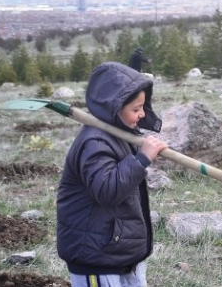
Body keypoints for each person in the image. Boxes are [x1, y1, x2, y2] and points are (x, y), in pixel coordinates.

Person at [56, 61, 167, 287]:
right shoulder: (94, 141)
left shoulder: (120, 134)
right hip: (96, 257)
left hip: (119, 251)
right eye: (136, 110)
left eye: (143, 107)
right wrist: (142, 159)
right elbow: (107, 190)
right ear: (114, 109)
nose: (142, 114)